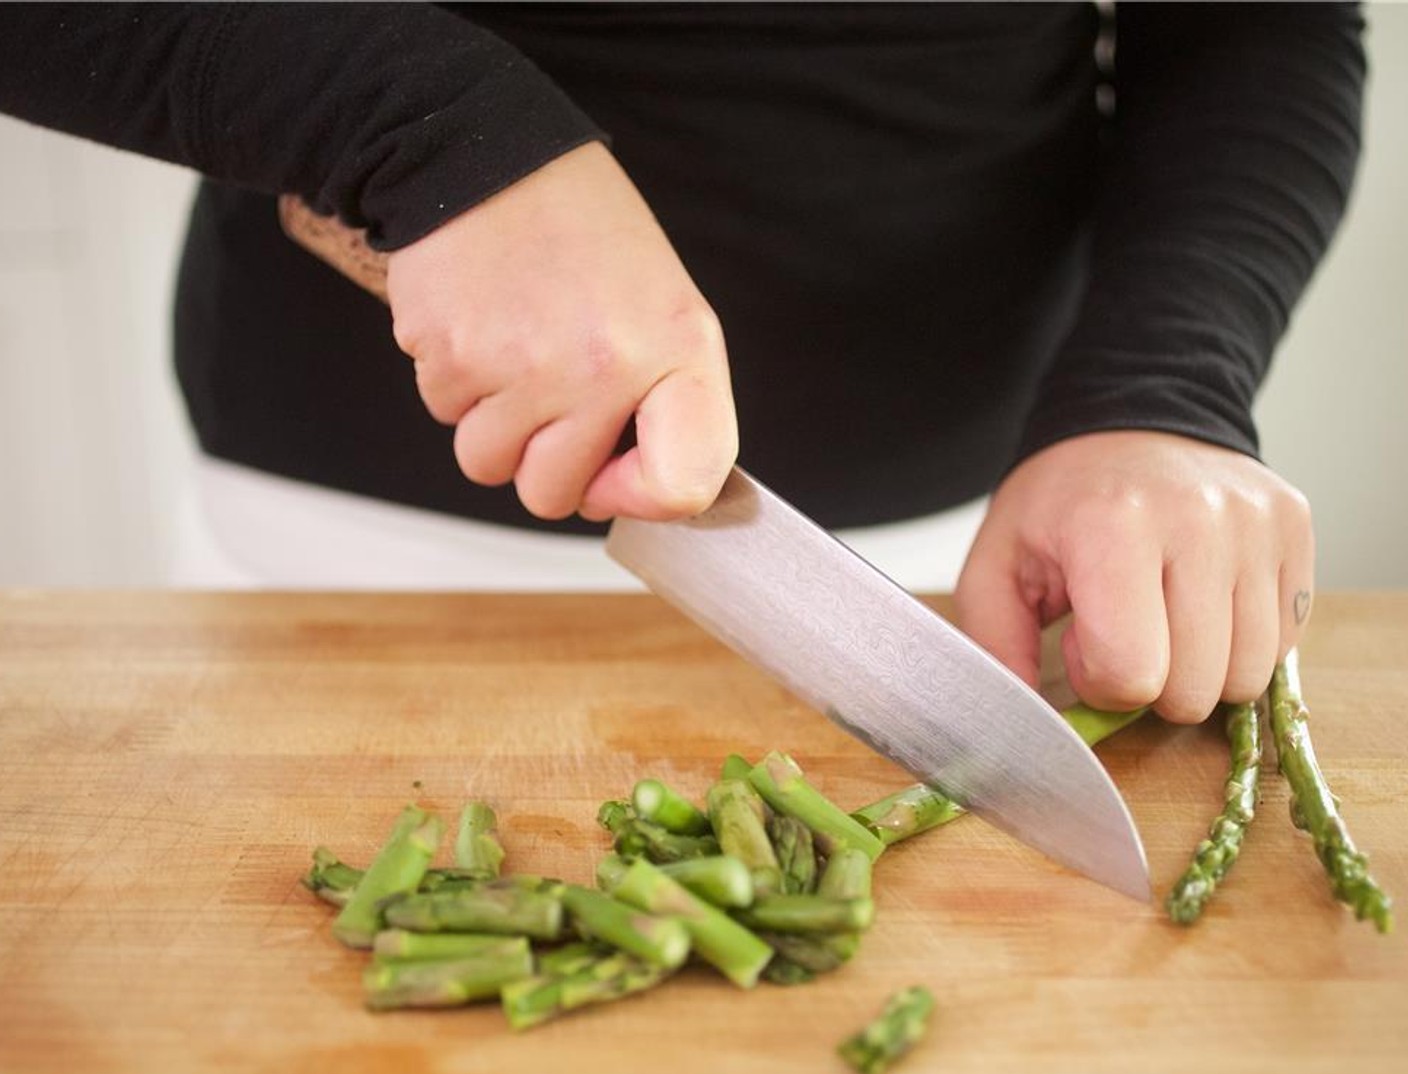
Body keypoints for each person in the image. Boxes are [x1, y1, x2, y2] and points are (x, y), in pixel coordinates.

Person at [0, 3, 1366, 724]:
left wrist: (1163, 389)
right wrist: (421, 131)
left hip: (981, 552)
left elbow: (1258, 21)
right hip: (334, 531)